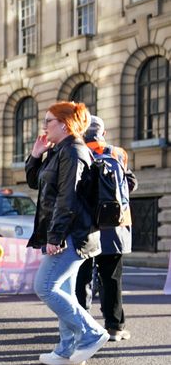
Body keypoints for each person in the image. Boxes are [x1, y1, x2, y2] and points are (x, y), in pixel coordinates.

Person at [26, 101, 107, 365]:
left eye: (48, 121)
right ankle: (65, 350)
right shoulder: (59, 150)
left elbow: (67, 199)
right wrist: (36, 155)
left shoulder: (73, 151)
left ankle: (92, 333)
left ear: (64, 123)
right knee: (63, 291)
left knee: (45, 287)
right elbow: (36, 182)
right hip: (66, 232)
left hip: (72, 235)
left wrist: (55, 237)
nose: (44, 126)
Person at [74, 115, 137, 342]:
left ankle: (81, 325)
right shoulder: (118, 153)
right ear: (104, 133)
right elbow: (130, 183)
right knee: (112, 278)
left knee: (82, 277)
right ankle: (115, 327)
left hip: (87, 226)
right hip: (115, 225)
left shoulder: (78, 151)